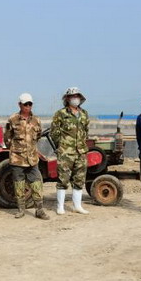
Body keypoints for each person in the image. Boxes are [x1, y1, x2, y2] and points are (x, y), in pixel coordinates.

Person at [4, 93, 48, 220]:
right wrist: (15, 150)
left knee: (36, 184)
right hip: (17, 159)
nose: (28, 106)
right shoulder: (13, 119)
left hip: (32, 159)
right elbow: (7, 137)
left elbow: (38, 136)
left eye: (30, 104)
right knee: (19, 185)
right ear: (20, 105)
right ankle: (21, 210)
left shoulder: (36, 120)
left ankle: (39, 210)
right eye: (25, 104)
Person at [50, 86, 90, 215]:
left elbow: (86, 131)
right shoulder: (61, 114)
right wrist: (61, 147)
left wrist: (82, 145)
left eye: (77, 96)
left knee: (79, 179)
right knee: (63, 180)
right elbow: (54, 133)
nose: (75, 98)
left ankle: (77, 206)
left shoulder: (84, 114)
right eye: (72, 96)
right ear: (67, 99)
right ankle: (60, 207)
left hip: (81, 152)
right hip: (65, 152)